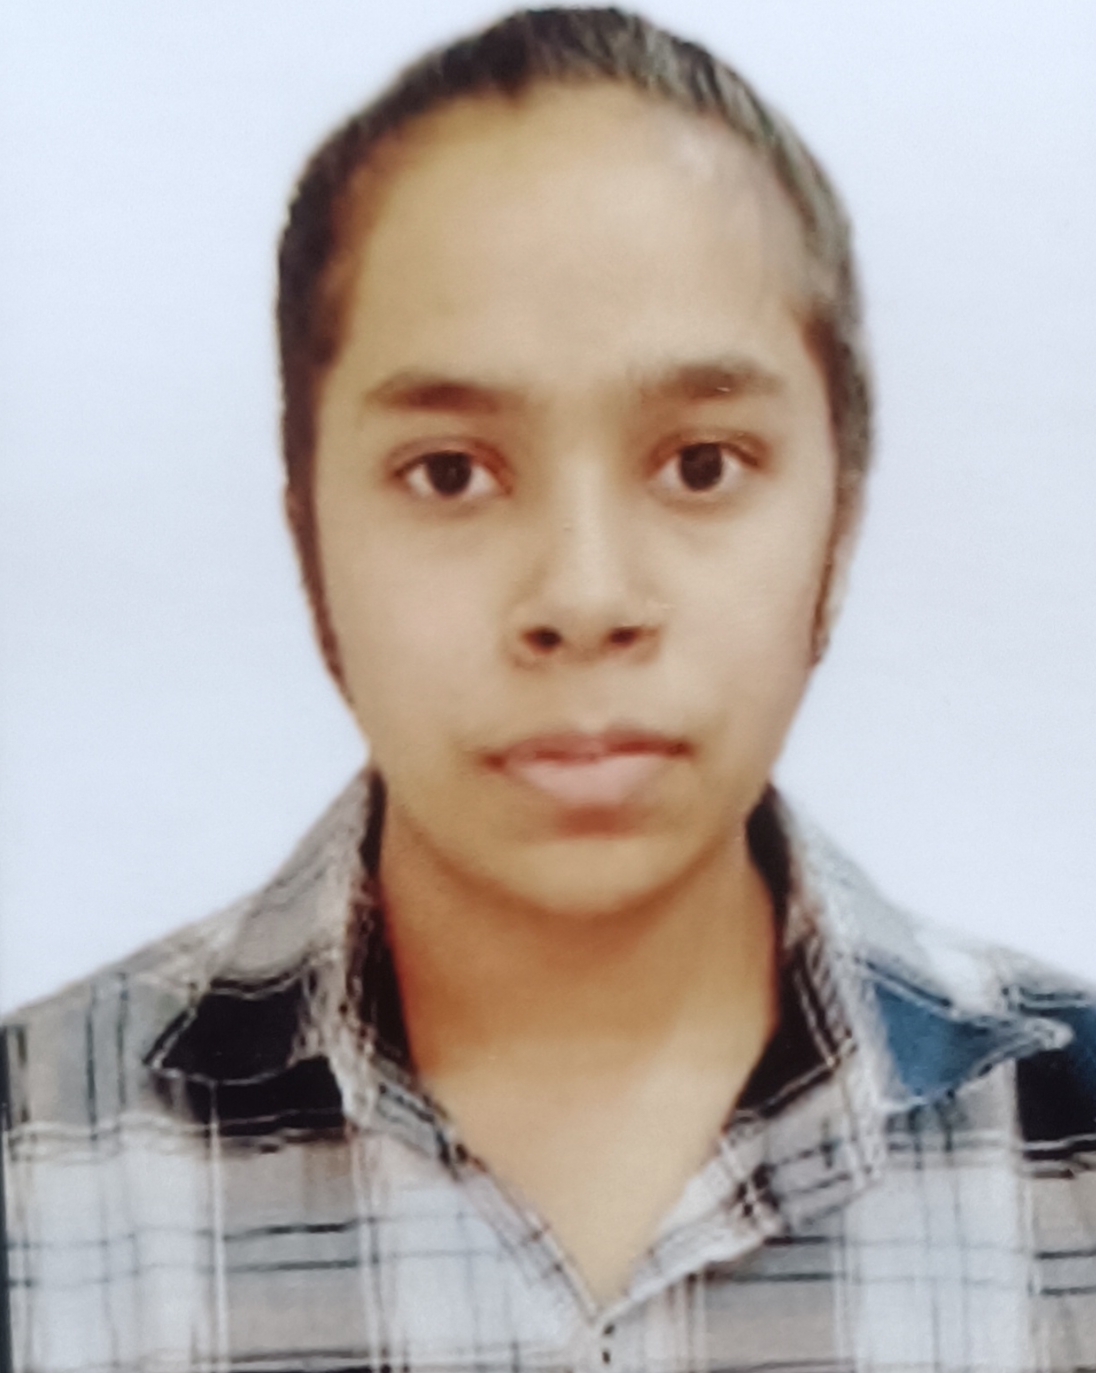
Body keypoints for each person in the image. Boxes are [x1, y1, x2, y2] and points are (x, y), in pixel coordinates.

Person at [2, 7, 1094, 1370]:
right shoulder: (33, 1163)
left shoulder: (1070, 1149)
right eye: (451, 472)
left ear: (843, 510)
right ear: (305, 525)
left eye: (701, 464)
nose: (583, 596)